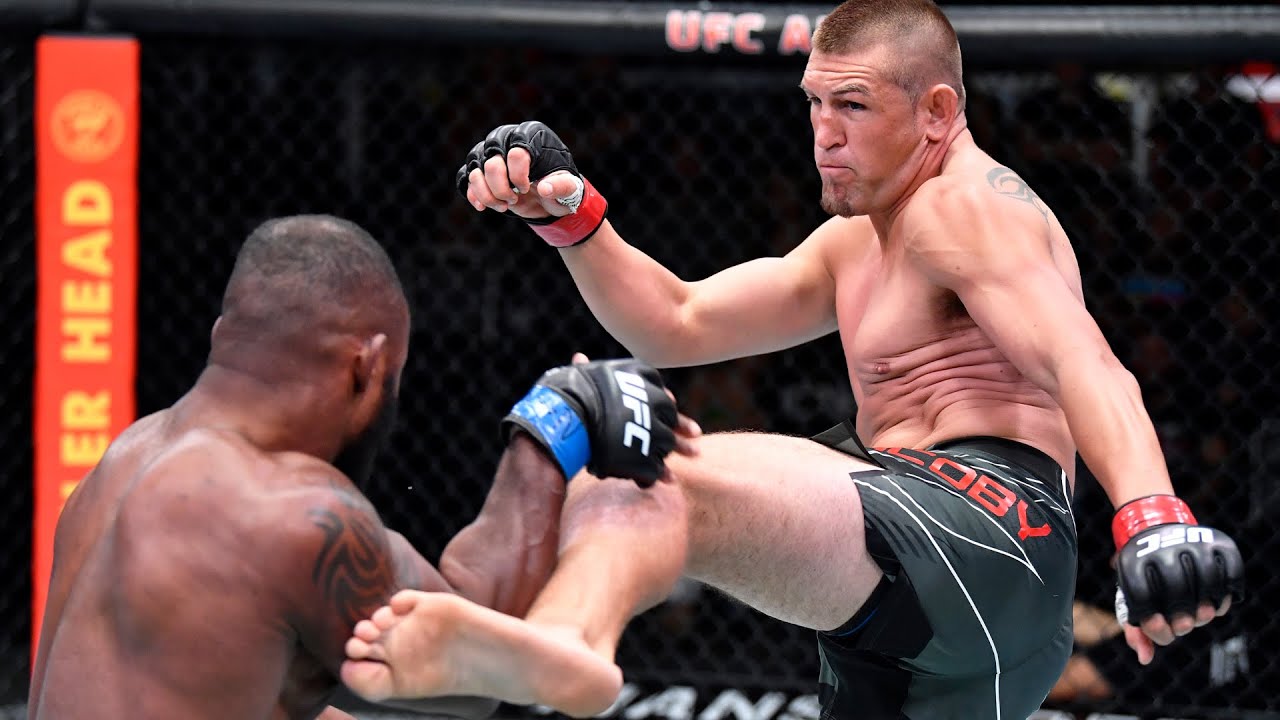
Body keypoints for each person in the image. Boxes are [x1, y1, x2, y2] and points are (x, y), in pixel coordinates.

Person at [341, 1, 1245, 718]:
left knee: (647, 467)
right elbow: (680, 322)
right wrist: (571, 219)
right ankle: (553, 645)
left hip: (990, 536)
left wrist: (1151, 517)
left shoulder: (966, 209)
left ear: (937, 112)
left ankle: (568, 644)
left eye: (853, 105)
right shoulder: (859, 239)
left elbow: (1086, 362)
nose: (824, 132)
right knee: (627, 479)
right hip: (929, 605)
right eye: (814, 102)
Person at [27, 214, 697, 720]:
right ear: (366, 366)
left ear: (224, 335)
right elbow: (474, 658)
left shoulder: (118, 465)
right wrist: (554, 425)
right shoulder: (293, 511)